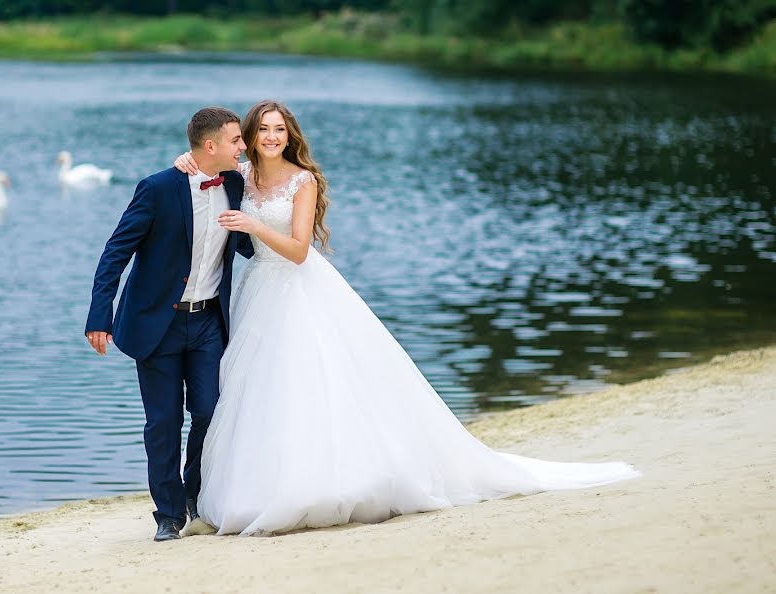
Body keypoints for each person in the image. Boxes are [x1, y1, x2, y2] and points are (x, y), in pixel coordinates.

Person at [174, 100, 640, 536]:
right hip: (256, 292)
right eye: (263, 130)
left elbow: (298, 251)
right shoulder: (243, 173)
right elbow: (204, 160)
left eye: (280, 130)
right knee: (258, 390)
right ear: (249, 137)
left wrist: (255, 225)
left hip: (297, 289)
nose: (271, 137)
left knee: (309, 382)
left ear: (289, 134)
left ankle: (319, 485)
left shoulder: (302, 180)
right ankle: (252, 488)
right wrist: (185, 160)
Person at [85, 107, 252, 542]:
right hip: (157, 323)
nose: (244, 146)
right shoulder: (157, 188)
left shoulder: (235, 181)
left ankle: (197, 495)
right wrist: (99, 314)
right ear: (211, 146)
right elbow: (115, 252)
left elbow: (272, 168)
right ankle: (168, 513)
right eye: (236, 140)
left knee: (209, 412)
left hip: (208, 323)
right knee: (162, 422)